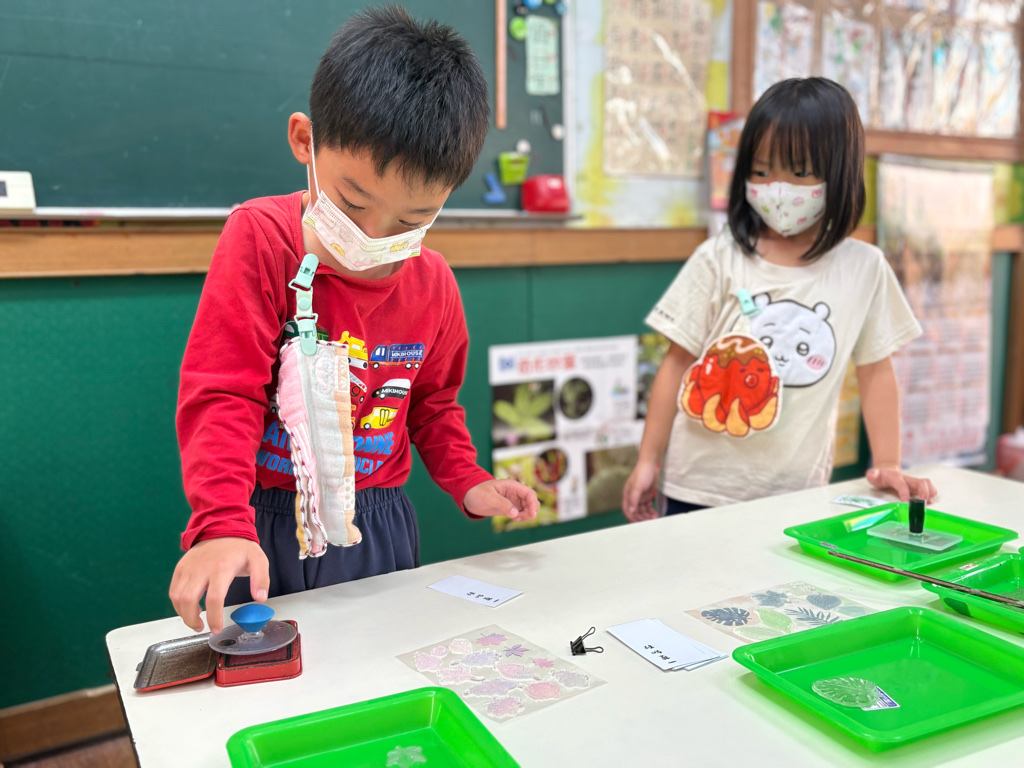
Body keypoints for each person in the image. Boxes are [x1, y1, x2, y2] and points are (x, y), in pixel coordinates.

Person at [170, 5, 538, 633]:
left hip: (378, 523)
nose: (371, 237)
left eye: (410, 220)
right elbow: (223, 392)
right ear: (304, 142)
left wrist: (467, 479)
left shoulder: (434, 285)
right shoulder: (260, 239)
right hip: (261, 522)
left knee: (376, 660)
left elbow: (432, 405)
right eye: (351, 203)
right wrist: (221, 523)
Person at [623, 77, 936, 522]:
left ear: (840, 171)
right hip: (697, 487)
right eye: (761, 171)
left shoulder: (864, 268)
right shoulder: (719, 256)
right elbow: (676, 363)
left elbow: (876, 371)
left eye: (800, 173)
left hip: (795, 494)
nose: (777, 188)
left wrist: (888, 463)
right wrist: (647, 460)